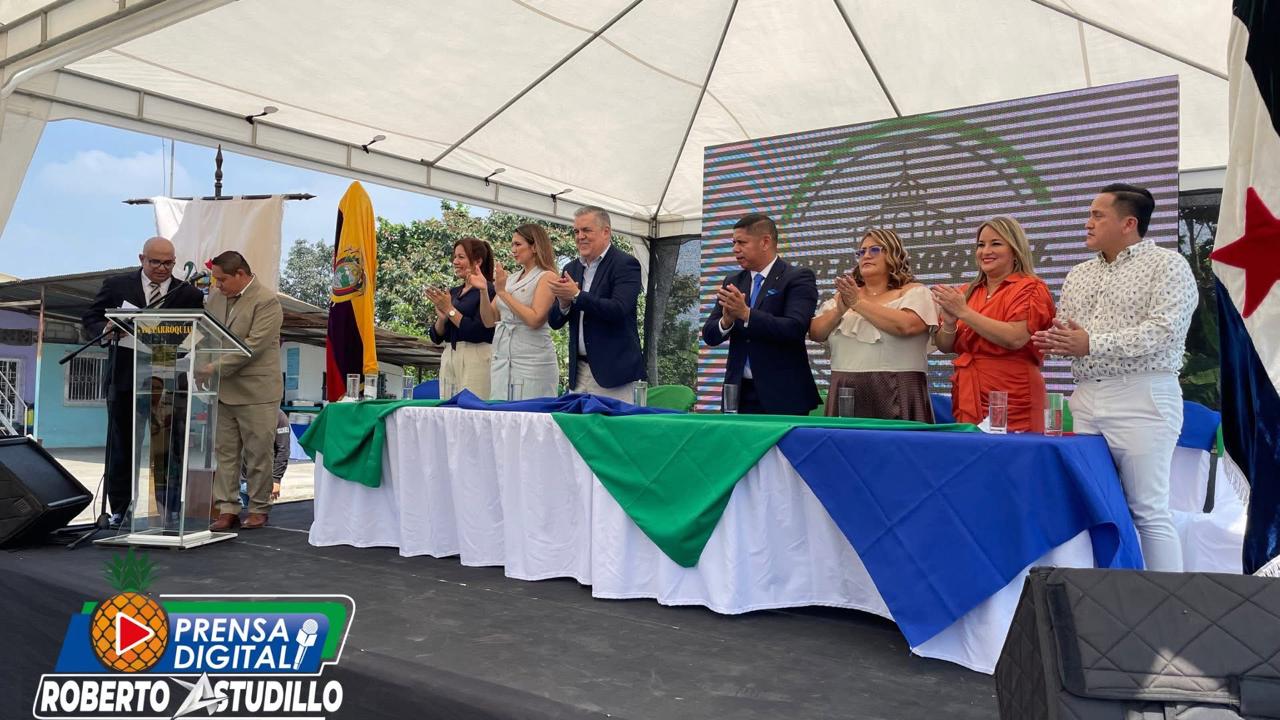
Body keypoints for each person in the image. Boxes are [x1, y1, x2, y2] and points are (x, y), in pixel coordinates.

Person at [1033, 184, 1197, 572]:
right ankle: (1098, 597)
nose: (1087, 223)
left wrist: (1091, 343)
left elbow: (1165, 331)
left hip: (1142, 395)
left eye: (1097, 215)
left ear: (1128, 223)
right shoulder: (1079, 273)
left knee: (1148, 511)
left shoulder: (1168, 265)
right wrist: (1057, 340)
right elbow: (1070, 328)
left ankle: (1167, 604)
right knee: (1087, 505)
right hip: (1085, 398)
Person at [82, 236, 204, 526]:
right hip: (125, 379)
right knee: (122, 447)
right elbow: (90, 318)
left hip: (168, 381)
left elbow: (198, 332)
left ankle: (169, 510)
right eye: (155, 262)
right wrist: (105, 329)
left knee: (168, 451)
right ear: (141, 259)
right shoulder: (117, 285)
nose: (162, 268)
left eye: (168, 263)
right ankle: (121, 510)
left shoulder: (188, 294)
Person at [932, 217, 1056, 432]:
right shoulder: (967, 291)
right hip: (970, 391)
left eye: (995, 244)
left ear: (1015, 250)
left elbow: (1015, 338)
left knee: (1014, 451)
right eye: (981, 245)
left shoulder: (1031, 287)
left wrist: (964, 312)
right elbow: (944, 346)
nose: (985, 251)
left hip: (1014, 392)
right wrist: (950, 323)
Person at [809, 229, 937, 420]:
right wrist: (839, 310)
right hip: (846, 391)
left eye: (874, 250)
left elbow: (907, 326)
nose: (866, 256)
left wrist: (857, 303)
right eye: (861, 252)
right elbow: (815, 333)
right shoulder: (843, 297)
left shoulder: (914, 292)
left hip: (897, 389)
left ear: (893, 254)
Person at [703, 213, 820, 415]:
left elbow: (795, 328)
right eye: (733, 243)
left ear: (765, 242)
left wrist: (747, 314)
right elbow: (710, 335)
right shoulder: (733, 280)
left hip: (783, 395)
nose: (735, 249)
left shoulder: (797, 277)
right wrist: (726, 321)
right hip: (739, 392)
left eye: (742, 242)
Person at [203, 251, 283, 531]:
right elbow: (206, 337)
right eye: (215, 280)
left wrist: (213, 367)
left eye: (222, 279)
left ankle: (259, 507)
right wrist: (199, 366)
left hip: (256, 391)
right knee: (225, 453)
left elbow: (252, 347)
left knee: (258, 453)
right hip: (223, 389)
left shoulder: (267, 301)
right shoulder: (215, 299)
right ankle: (227, 508)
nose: (218, 285)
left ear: (240, 274)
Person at [548, 206, 645, 401]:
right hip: (578, 373)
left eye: (586, 230)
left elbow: (618, 309)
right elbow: (554, 322)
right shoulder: (571, 268)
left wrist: (577, 295)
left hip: (614, 375)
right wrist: (564, 303)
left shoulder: (625, 264)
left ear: (606, 232)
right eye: (576, 231)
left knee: (613, 422)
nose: (580, 236)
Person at [481, 224, 559, 400]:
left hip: (532, 361)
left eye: (518, 244)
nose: (513, 250)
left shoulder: (547, 276)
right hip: (502, 359)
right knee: (501, 410)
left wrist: (502, 293)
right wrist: (483, 290)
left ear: (534, 247)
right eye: (512, 245)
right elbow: (488, 320)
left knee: (528, 411)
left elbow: (535, 319)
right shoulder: (511, 279)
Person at [425, 238, 496, 398]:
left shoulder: (488, 291)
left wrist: (450, 310)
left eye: (461, 257)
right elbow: (436, 337)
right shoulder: (454, 292)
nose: (455, 262)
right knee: (448, 408)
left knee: (472, 407)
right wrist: (442, 318)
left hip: (475, 356)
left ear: (477, 261)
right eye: (455, 257)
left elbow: (478, 330)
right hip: (450, 354)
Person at [241, 409, 290, 509]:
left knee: (259, 515)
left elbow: (283, 450)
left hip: (262, 482)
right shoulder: (242, 411)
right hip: (239, 480)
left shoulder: (279, 416)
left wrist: (276, 479)